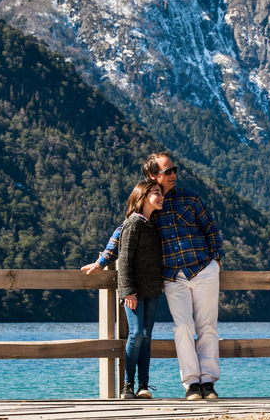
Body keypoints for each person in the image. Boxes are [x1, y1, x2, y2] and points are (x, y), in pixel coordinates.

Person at [82, 152, 225, 400]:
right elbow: (123, 231)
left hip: (203, 268)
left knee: (207, 327)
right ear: (152, 175)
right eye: (167, 171)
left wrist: (217, 261)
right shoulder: (151, 203)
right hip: (171, 276)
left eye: (174, 170)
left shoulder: (191, 198)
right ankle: (192, 384)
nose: (173, 175)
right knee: (182, 327)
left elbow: (211, 228)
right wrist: (103, 260)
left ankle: (208, 383)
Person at [117, 180, 165, 399]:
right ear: (143, 196)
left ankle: (143, 386)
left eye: (161, 193)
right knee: (135, 334)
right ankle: (128, 385)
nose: (161, 196)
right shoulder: (133, 223)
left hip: (152, 289)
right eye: (156, 192)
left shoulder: (152, 223)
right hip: (134, 291)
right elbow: (124, 259)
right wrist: (128, 291)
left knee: (146, 336)